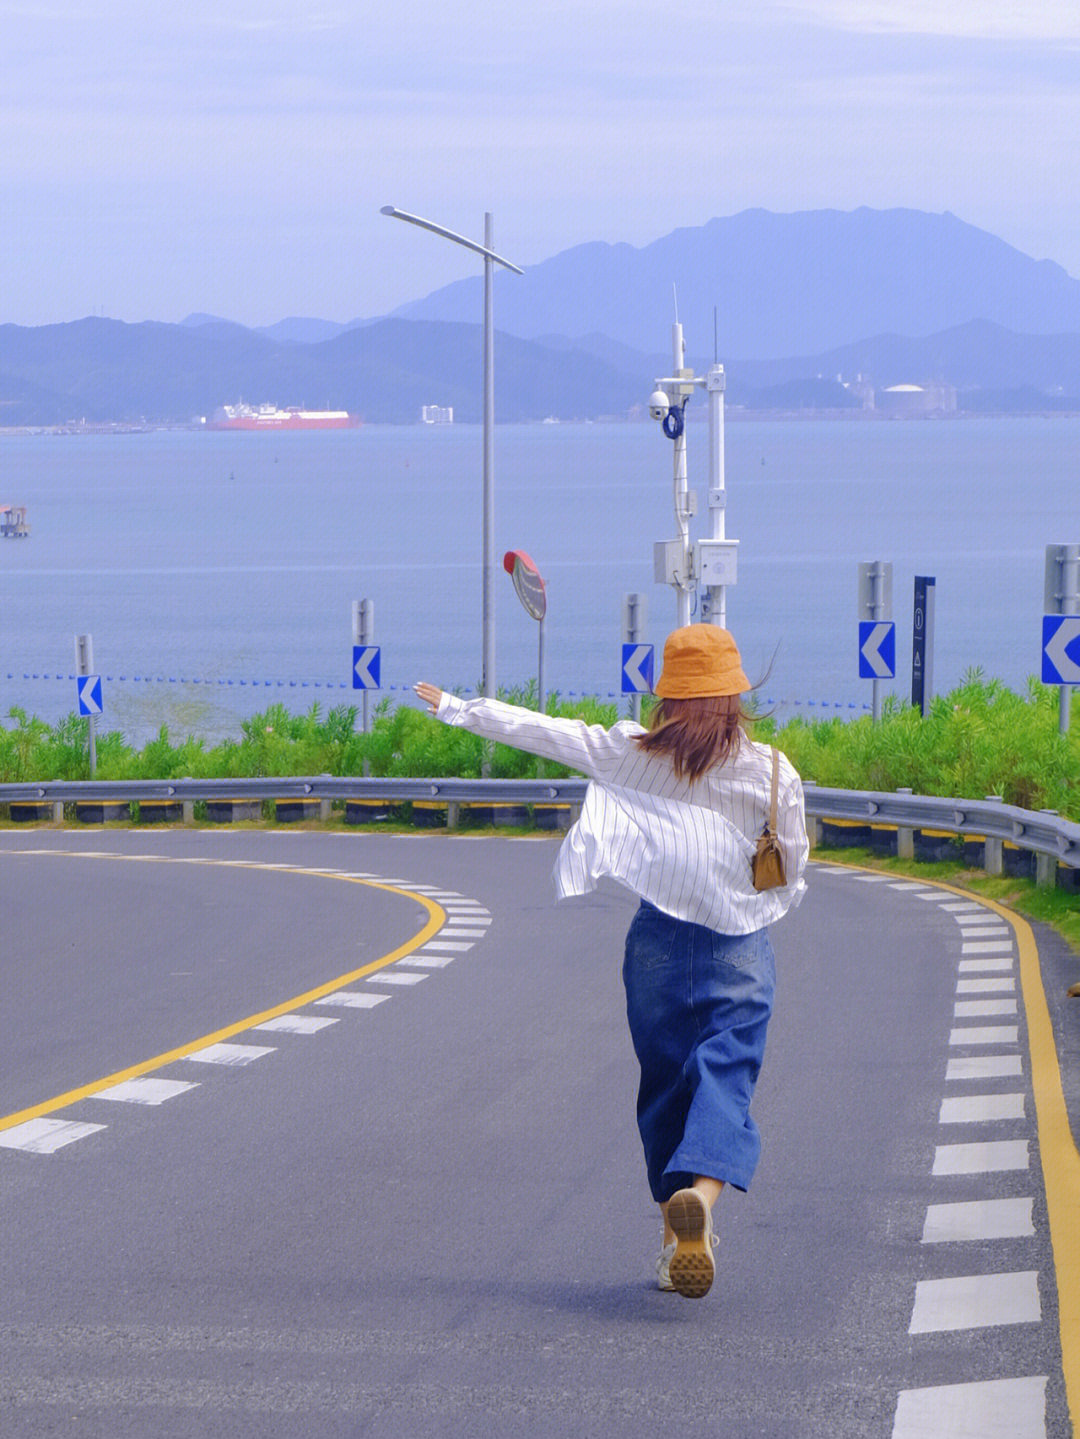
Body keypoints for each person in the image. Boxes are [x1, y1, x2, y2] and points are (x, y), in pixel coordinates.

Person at [414, 623, 807, 1300]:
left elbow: (547, 731)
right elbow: (792, 863)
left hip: (655, 944)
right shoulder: (771, 770)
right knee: (725, 1079)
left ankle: (672, 1241)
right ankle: (703, 1208)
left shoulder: (629, 752)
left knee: (664, 1087)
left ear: (668, 698)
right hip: (737, 943)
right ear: (738, 695)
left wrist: (458, 707)